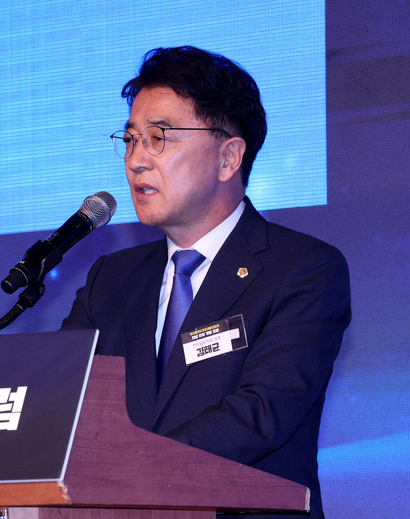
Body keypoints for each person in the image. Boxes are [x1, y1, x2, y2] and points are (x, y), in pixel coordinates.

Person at [61, 46, 351, 519]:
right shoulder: (110, 280)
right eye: (130, 140)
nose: (135, 160)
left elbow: (260, 414)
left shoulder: (303, 270)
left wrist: (127, 474)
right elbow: (63, 405)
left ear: (228, 158)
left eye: (158, 138)